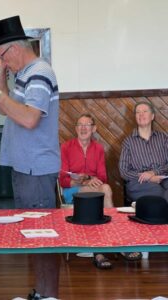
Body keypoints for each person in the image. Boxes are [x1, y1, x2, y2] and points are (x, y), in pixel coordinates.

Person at [0, 16, 60, 299]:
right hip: (25, 168)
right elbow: (5, 109)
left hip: (35, 170)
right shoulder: (24, 73)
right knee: (34, 238)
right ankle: (41, 292)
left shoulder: (38, 73)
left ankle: (48, 295)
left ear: (14, 48)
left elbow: (28, 118)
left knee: (43, 239)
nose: (4, 62)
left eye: (2, 56)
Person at [59, 114, 114, 269]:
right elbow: (63, 179)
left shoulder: (98, 148)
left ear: (93, 128)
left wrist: (89, 178)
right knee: (104, 190)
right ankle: (109, 244)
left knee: (106, 188)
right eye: (80, 125)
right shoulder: (66, 147)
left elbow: (103, 177)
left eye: (87, 125)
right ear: (76, 128)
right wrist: (79, 181)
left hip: (94, 191)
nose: (83, 128)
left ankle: (104, 244)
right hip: (72, 192)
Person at [119, 101, 168, 261]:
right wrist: (144, 176)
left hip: (162, 177)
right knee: (159, 195)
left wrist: (154, 173)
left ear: (152, 116)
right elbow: (124, 171)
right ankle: (157, 241)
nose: (141, 115)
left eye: (145, 111)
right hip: (138, 184)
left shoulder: (163, 138)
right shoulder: (129, 142)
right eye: (138, 112)